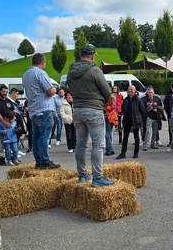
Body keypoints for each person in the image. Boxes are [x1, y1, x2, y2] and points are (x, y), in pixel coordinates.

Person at [67, 44, 115, 186]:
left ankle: (82, 175)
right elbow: (107, 92)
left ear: (81, 55)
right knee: (98, 145)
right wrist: (105, 101)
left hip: (78, 109)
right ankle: (98, 177)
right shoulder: (95, 70)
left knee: (80, 145)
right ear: (92, 55)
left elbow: (70, 88)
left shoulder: (71, 70)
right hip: (93, 109)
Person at [22, 53, 61, 170]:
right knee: (45, 136)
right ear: (43, 62)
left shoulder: (25, 75)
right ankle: (45, 161)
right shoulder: (40, 73)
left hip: (33, 110)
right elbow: (49, 91)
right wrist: (55, 89)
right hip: (44, 109)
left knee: (36, 137)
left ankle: (39, 161)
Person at [116, 84, 146, 160]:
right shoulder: (125, 99)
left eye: (132, 89)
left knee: (136, 138)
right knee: (125, 138)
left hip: (136, 121)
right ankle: (123, 153)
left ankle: (136, 153)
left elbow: (143, 111)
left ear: (135, 91)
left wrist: (142, 122)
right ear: (127, 91)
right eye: (129, 89)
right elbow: (122, 110)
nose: (130, 91)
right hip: (127, 121)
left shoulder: (138, 99)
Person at [142, 85, 162, 151]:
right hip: (149, 118)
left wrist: (157, 110)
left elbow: (161, 107)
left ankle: (153, 144)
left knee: (155, 132)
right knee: (148, 132)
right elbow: (142, 108)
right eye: (149, 92)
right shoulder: (144, 99)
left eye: (151, 92)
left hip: (156, 118)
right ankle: (146, 145)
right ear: (147, 92)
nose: (150, 93)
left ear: (153, 92)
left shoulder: (157, 98)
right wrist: (149, 108)